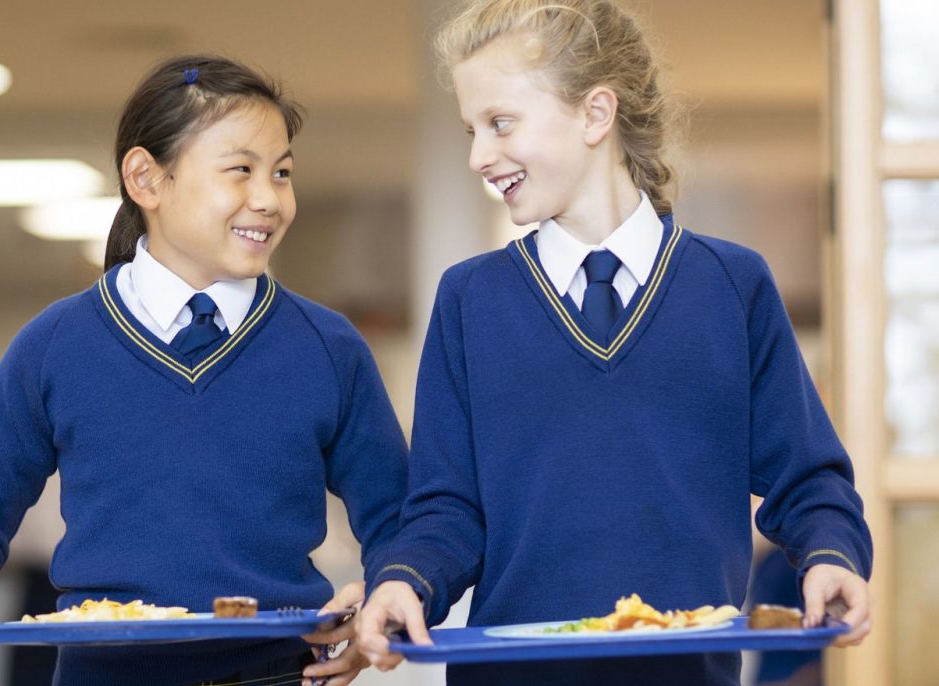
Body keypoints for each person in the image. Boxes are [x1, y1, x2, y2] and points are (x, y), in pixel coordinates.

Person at [354, 2, 873, 683]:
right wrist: (404, 579)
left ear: (597, 115)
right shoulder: (469, 301)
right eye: (471, 130)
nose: (479, 155)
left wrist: (831, 554)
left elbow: (807, 479)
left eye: (500, 123)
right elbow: (446, 508)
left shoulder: (732, 286)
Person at [0, 54, 409, 686]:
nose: (268, 199)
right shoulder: (56, 344)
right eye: (240, 171)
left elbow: (398, 517)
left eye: (281, 173)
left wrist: (383, 595)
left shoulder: (328, 347)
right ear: (146, 179)